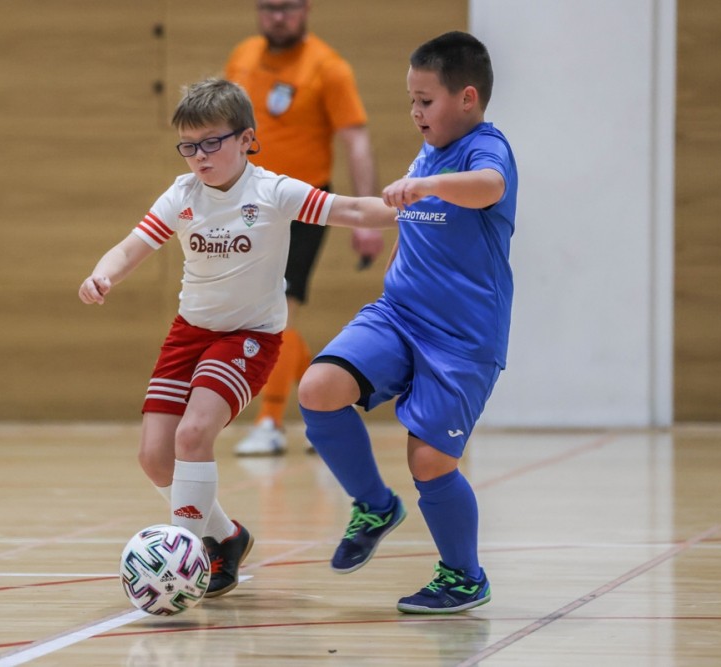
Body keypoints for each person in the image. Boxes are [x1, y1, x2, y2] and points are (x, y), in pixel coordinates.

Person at [78, 78, 398, 598]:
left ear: (247, 138)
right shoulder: (182, 196)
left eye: (211, 142)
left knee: (192, 436)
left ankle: (183, 558)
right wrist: (102, 274)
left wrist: (421, 206)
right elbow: (131, 247)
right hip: (188, 335)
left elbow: (356, 211)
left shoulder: (274, 192)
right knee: (155, 458)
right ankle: (226, 538)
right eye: (188, 146)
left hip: (249, 337)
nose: (199, 157)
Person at [297, 31, 518, 614]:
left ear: (467, 98)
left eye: (426, 100)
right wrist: (318, 209)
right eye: (411, 100)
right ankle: (374, 505)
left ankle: (464, 577)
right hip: (398, 316)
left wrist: (425, 184)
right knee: (319, 388)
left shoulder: (485, 149)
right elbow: (407, 218)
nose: (415, 112)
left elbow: (488, 187)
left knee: (429, 461)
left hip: (462, 339)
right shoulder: (430, 151)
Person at [225, 0, 384, 456]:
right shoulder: (242, 57)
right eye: (269, 7)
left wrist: (367, 216)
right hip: (248, 203)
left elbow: (356, 141)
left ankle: (271, 422)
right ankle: (332, 406)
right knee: (259, 313)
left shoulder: (328, 68)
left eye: (288, 7)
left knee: (279, 311)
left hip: (302, 205)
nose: (278, 16)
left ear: (306, 9)